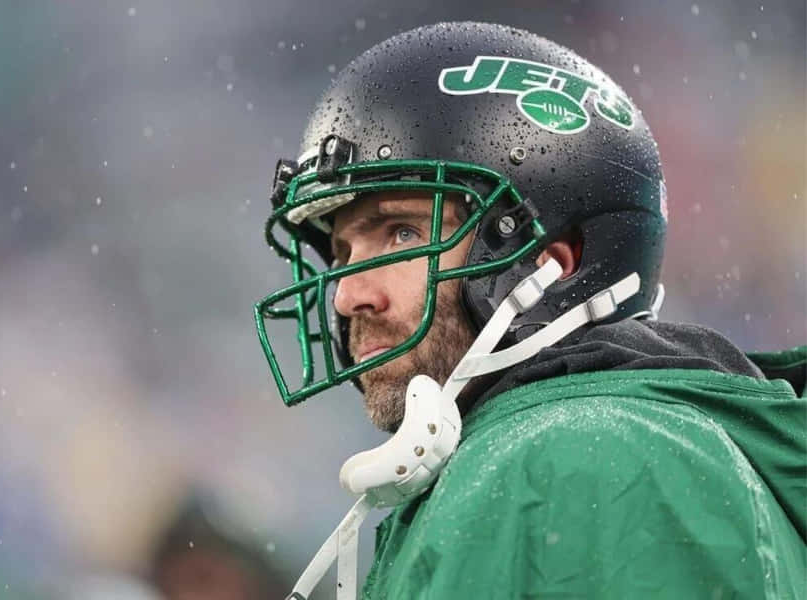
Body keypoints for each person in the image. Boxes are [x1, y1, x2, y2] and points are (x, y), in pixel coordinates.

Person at [254, 22, 806, 599]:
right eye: (342, 252)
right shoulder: (583, 450)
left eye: (400, 234)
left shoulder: (572, 461)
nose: (346, 295)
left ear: (554, 267)